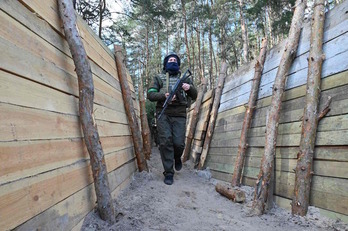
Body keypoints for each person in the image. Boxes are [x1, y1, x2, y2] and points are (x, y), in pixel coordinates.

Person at [147, 52, 197, 185]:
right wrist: (165, 95)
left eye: (175, 60)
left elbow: (195, 95)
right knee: (165, 142)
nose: (173, 61)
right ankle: (168, 172)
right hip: (163, 113)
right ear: (166, 63)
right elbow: (150, 94)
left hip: (180, 113)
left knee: (179, 143)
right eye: (170, 60)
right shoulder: (159, 77)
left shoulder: (184, 78)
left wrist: (189, 87)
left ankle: (177, 156)